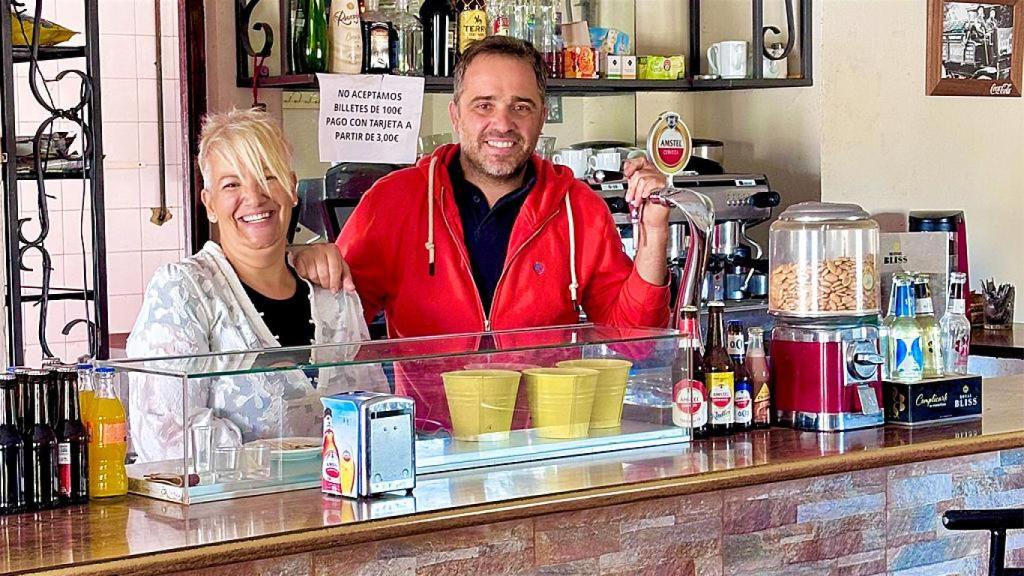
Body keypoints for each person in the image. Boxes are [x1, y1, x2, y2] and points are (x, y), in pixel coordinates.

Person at [293, 36, 674, 431]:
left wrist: (655, 231)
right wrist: (299, 260)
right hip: (427, 449)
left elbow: (637, 341)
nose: (503, 123)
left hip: (544, 447)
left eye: (520, 107)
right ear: (456, 114)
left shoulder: (579, 208)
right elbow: (333, 326)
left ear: (542, 116)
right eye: (484, 105)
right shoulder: (394, 201)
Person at [127, 108, 382, 463]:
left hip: (336, 509)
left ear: (292, 189)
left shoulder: (332, 292)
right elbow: (163, 435)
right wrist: (275, 461)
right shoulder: (185, 291)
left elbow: (374, 415)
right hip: (224, 515)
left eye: (268, 178)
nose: (255, 197)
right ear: (209, 204)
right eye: (232, 184)